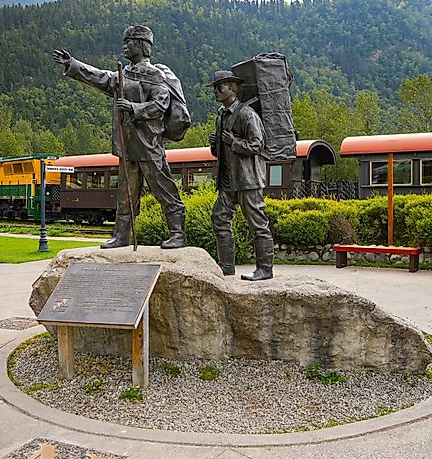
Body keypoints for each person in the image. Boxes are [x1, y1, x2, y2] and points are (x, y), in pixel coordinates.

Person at [52, 25, 186, 249]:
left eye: (130, 42)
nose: (125, 46)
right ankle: (122, 237)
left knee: (164, 189)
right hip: (128, 145)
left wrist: (132, 107)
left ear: (142, 46)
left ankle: (178, 234)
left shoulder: (155, 75)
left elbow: (160, 106)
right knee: (126, 195)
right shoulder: (123, 75)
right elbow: (101, 77)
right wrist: (73, 65)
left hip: (149, 144)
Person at [208, 70, 274, 280]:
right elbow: (220, 152)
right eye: (215, 87)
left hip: (247, 180)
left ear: (233, 88)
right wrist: (215, 144)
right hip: (228, 181)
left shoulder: (247, 114)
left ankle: (265, 269)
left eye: (221, 87)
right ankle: (226, 267)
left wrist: (232, 142)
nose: (217, 91)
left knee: (257, 223)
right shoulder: (221, 115)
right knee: (219, 218)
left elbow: (256, 145)